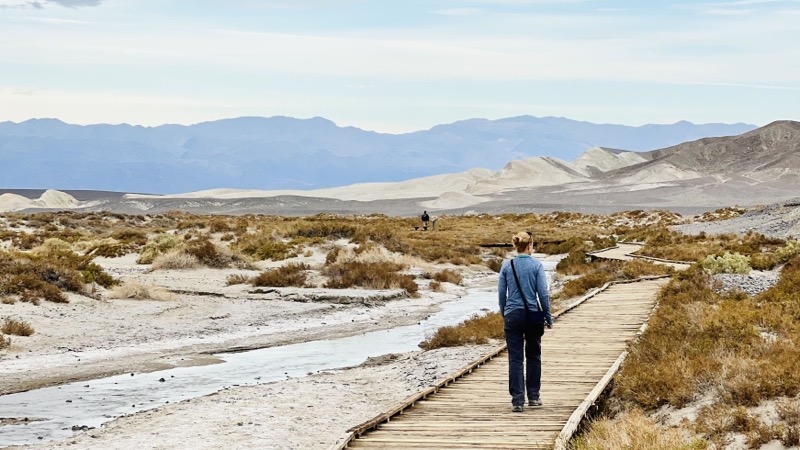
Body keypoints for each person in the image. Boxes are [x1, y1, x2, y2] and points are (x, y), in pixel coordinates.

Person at [498, 231, 553, 412]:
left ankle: (517, 401)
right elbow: (543, 294)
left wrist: (505, 312)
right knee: (534, 355)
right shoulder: (537, 266)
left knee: (515, 359)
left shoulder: (507, 266)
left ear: (516, 246)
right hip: (532, 315)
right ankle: (534, 397)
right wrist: (548, 316)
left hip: (512, 315)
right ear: (529, 246)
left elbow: (501, 294)